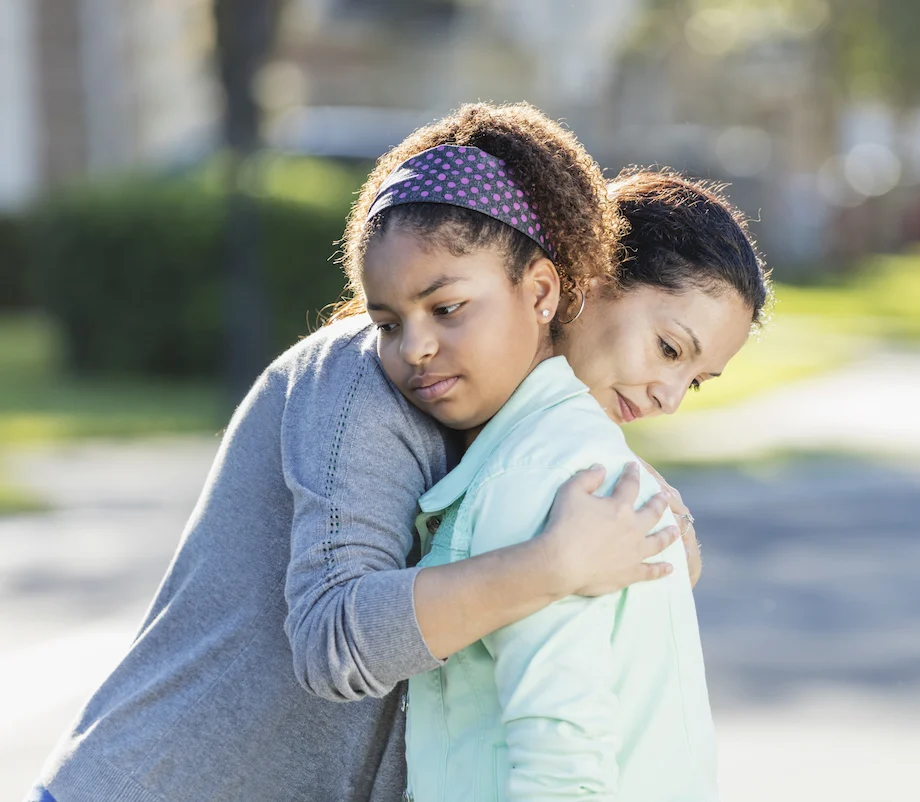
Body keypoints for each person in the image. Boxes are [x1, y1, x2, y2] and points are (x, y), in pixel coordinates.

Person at [35, 103, 673, 802]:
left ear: (543, 290)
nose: (415, 347)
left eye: (447, 308)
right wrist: (549, 566)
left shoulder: (510, 427)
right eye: (388, 321)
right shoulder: (356, 382)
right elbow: (337, 641)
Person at [345, 145, 765, 798]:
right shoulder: (549, 462)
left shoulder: (565, 474)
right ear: (585, 282)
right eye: (669, 349)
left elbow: (560, 762)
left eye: (696, 379)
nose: (669, 396)